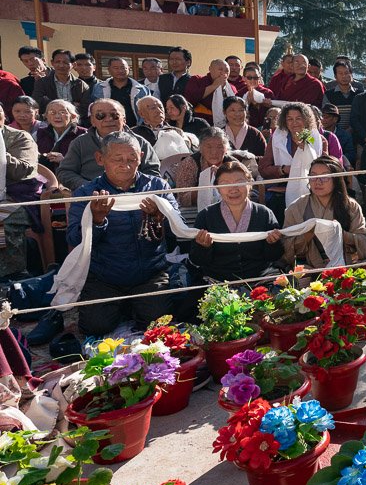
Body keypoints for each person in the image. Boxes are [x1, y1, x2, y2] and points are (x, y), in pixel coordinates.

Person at [65, 131, 176, 337]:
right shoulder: (87, 193)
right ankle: (123, 307)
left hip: (149, 273)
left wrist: (158, 217)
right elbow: (74, 239)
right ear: (100, 159)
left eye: (132, 159)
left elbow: (177, 230)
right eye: (118, 159)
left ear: (141, 158)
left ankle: (135, 305)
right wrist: (97, 221)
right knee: (96, 327)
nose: (126, 165)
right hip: (105, 276)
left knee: (157, 325)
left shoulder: (157, 186)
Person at [190, 160, 284, 281]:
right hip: (218, 280)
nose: (233, 189)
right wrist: (203, 247)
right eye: (225, 184)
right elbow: (196, 260)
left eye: (239, 182)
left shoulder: (264, 213)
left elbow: (276, 256)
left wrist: (272, 244)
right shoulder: (206, 216)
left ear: (250, 183)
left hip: (260, 279)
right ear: (217, 188)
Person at [282, 156, 366, 268]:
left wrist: (339, 233)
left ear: (336, 179)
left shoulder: (351, 206)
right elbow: (286, 247)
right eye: (313, 176)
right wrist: (308, 234)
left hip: (343, 265)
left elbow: (363, 242)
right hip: (309, 266)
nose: (318, 182)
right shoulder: (296, 208)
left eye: (324, 177)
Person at [58, 100, 160, 190]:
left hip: (133, 195)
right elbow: (65, 172)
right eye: (100, 116)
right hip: (93, 196)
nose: (108, 119)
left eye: (114, 115)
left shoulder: (140, 142)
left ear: (124, 119)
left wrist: (135, 188)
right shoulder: (80, 143)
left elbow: (152, 171)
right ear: (92, 121)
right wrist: (88, 187)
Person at [258, 102, 328, 221]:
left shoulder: (316, 139)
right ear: (284, 121)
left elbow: (325, 166)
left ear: (306, 120)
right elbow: (264, 169)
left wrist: (306, 151)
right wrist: (283, 169)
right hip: (281, 188)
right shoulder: (277, 138)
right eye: (290, 119)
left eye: (298, 118)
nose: (294, 123)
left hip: (312, 188)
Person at [0, 106, 38, 280]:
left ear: (4, 116)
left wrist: (1, 154)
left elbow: (23, 170)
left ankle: (11, 275)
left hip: (16, 196)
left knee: (4, 222)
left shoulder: (19, 137)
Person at [173, 128, 234, 211]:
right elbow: (182, 198)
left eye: (220, 147)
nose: (214, 152)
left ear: (226, 149)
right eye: (209, 147)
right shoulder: (189, 163)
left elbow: (245, 189)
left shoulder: (232, 163)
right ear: (200, 148)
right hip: (194, 211)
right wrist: (206, 186)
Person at [90, 58, 147, 127]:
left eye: (123, 68)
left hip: (135, 127)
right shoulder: (99, 88)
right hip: (108, 126)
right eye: (116, 68)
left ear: (129, 69)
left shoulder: (142, 89)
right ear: (109, 70)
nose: (120, 71)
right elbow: (93, 109)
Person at [182, 58, 237, 127]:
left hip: (226, 125)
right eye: (220, 69)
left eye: (227, 71)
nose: (223, 73)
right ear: (210, 69)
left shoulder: (231, 88)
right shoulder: (197, 80)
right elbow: (189, 100)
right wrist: (214, 86)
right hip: (199, 124)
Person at [32, 49, 90, 114]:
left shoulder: (81, 85)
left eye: (65, 62)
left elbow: (85, 109)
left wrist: (49, 102)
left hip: (74, 119)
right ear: (52, 63)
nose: (61, 65)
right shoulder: (42, 83)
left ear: (73, 65)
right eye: (57, 62)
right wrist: (71, 104)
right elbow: (37, 103)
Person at [36, 99, 86, 174]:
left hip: (73, 176)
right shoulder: (40, 133)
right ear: (46, 116)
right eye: (52, 112)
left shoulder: (83, 134)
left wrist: (64, 160)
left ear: (72, 116)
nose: (57, 116)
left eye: (62, 112)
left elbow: (88, 163)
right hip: (45, 176)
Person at [324, 60, 362, 133]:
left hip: (357, 134)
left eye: (346, 73)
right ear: (335, 76)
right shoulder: (328, 95)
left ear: (351, 75)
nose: (344, 76)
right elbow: (326, 116)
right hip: (335, 134)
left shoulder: (359, 94)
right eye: (340, 73)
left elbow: (362, 116)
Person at [241, 65, 276, 129]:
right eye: (249, 77)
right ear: (243, 78)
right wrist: (248, 103)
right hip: (245, 126)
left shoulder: (267, 93)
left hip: (264, 126)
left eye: (255, 78)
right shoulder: (240, 92)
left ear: (259, 78)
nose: (252, 80)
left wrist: (267, 105)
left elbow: (274, 111)